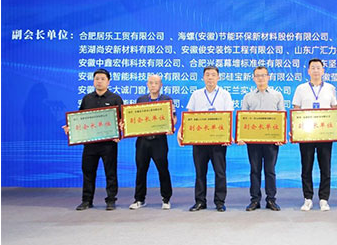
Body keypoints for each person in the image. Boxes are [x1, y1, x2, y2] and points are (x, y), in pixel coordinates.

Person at [65, 68, 123, 210]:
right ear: (93, 81)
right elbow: (79, 119)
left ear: (108, 82)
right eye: (97, 79)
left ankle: (111, 200)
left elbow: (123, 120)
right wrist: (70, 128)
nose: (99, 81)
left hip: (109, 144)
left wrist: (120, 134)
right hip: (90, 144)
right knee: (88, 172)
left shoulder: (115, 99)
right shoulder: (87, 99)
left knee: (110, 172)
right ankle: (86, 200)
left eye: (103, 79)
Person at [291, 58, 337, 211]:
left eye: (318, 67)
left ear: (323, 71)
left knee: (325, 167)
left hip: (325, 134)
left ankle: (324, 199)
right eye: (313, 67)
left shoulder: (330, 88)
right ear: (308, 71)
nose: (316, 70)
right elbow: (296, 110)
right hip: (306, 135)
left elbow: (334, 108)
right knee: (306, 167)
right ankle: (308, 198)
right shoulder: (301, 88)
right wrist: (295, 129)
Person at [185, 65, 233, 212]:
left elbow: (229, 116)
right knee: (200, 173)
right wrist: (183, 133)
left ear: (218, 77)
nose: (210, 77)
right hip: (199, 141)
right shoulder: (196, 94)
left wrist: (228, 135)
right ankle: (200, 201)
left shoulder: (225, 94)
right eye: (207, 75)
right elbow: (189, 115)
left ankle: (220, 202)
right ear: (203, 78)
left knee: (220, 172)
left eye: (213, 75)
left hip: (218, 141)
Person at [240, 66, 284, 212]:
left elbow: (282, 117)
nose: (261, 78)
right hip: (253, 141)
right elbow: (243, 119)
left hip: (271, 141)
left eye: (263, 75)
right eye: (257, 76)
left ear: (268, 77)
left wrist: (281, 136)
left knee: (270, 170)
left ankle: (271, 200)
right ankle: (255, 200)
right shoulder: (248, 97)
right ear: (253, 78)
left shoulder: (277, 95)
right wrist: (242, 136)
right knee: (255, 170)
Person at [130, 75, 175, 210]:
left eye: (156, 83)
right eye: (151, 83)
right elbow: (135, 118)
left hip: (159, 141)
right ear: (147, 84)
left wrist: (171, 127)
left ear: (161, 85)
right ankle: (139, 199)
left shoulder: (167, 100)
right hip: (142, 141)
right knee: (141, 170)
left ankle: (166, 199)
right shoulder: (141, 100)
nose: (153, 85)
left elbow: (173, 118)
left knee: (163, 169)